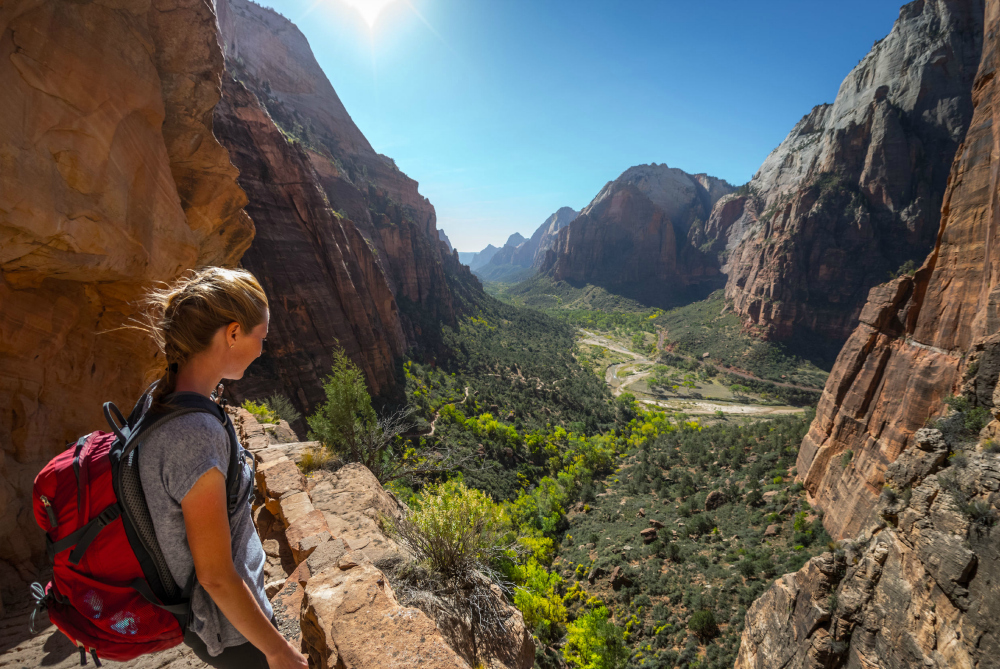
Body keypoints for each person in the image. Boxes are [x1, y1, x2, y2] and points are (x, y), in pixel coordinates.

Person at [133, 267, 307, 669]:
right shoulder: (194, 434)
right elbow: (214, 575)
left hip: (218, 620)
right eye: (259, 337)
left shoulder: (161, 400)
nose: (263, 350)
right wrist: (278, 651)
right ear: (232, 333)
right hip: (230, 631)